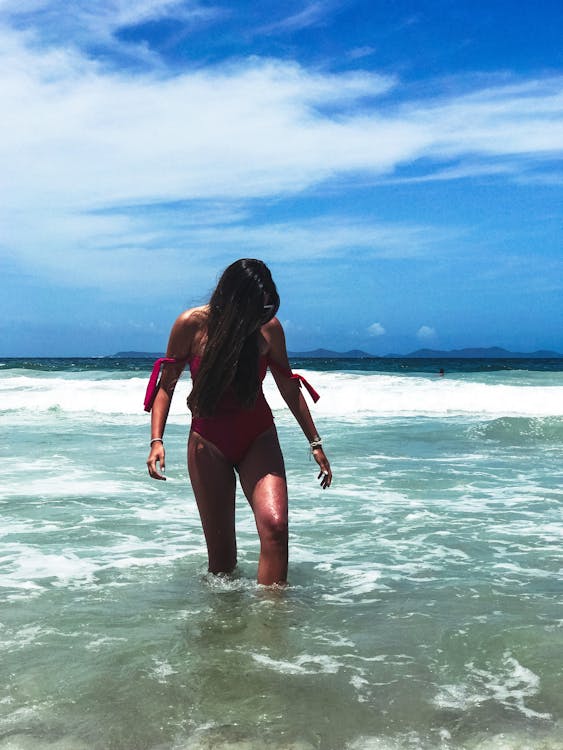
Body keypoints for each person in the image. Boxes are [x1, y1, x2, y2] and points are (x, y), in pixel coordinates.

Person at [146, 259, 332, 586]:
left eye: (265, 305)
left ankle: (271, 627)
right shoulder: (192, 325)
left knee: (275, 529)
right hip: (208, 442)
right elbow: (167, 385)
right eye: (253, 305)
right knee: (222, 562)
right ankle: (226, 633)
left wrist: (315, 443)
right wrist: (156, 440)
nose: (259, 313)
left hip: (257, 436)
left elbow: (288, 386)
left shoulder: (268, 328)